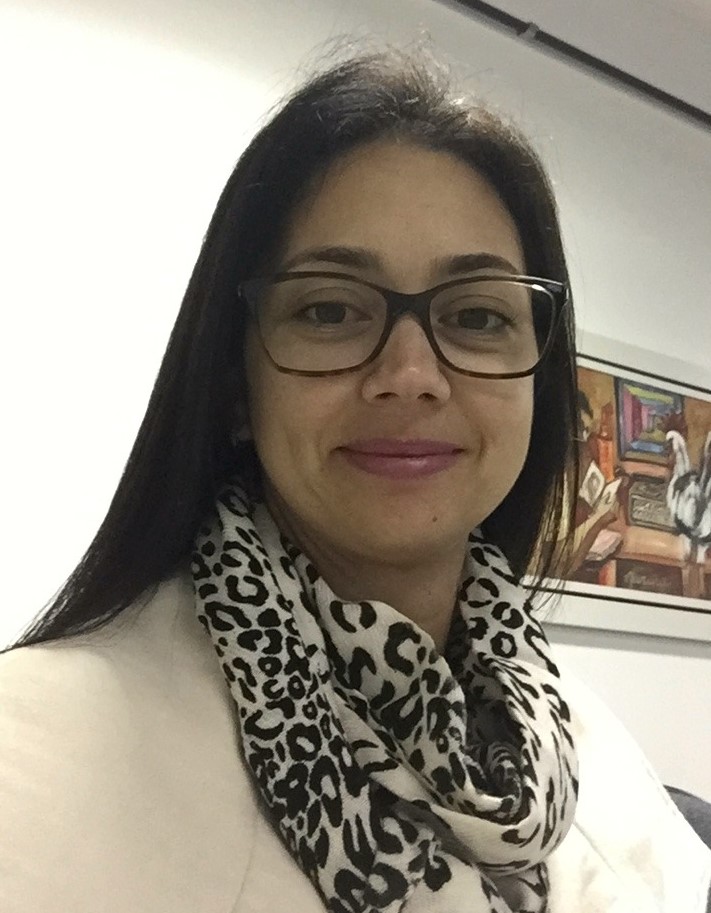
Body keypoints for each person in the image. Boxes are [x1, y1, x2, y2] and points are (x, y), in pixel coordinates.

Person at [1, 48, 709, 913]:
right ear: (235, 384)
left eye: (476, 315)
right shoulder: (32, 773)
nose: (410, 374)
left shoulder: (598, 762)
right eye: (330, 309)